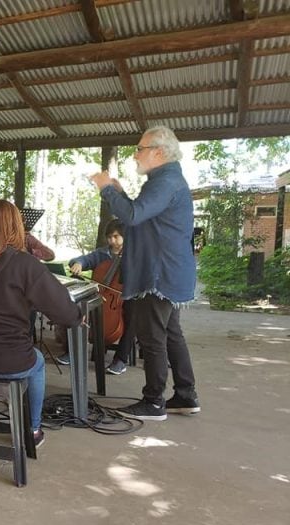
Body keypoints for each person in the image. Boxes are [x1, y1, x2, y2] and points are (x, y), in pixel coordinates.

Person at [90, 126, 199, 421]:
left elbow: (133, 216)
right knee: (172, 333)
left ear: (159, 152)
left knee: (152, 338)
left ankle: (153, 401)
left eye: (140, 148)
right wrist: (121, 193)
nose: (135, 154)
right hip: (169, 271)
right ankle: (186, 395)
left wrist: (107, 189)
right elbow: (143, 214)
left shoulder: (165, 181)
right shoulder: (166, 179)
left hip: (158, 274)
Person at [0, 200, 82, 447]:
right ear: (16, 225)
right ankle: (32, 431)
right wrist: (76, 316)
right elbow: (59, 306)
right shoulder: (25, 264)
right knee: (38, 363)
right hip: (10, 356)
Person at [55, 219, 136, 376]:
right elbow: (85, 259)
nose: (112, 240)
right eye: (109, 237)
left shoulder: (133, 255)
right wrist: (78, 263)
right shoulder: (102, 253)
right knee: (78, 308)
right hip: (104, 297)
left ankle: (120, 359)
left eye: (116, 236)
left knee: (134, 315)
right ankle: (74, 352)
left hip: (126, 298)